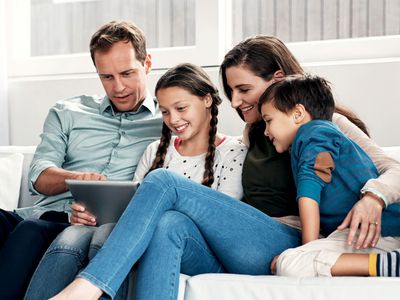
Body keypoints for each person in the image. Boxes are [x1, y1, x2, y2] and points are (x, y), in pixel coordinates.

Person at [50, 36, 400, 300]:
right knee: (170, 223)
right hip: (248, 241)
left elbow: (393, 170)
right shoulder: (253, 132)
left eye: (244, 89)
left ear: (278, 79)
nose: (235, 101)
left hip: (289, 241)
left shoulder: (324, 123)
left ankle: (89, 286)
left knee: (163, 182)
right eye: (230, 90)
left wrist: (373, 198)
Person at [24, 62, 247, 299]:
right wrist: (90, 214)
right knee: (74, 234)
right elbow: (132, 208)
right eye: (165, 111)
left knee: (125, 231)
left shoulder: (233, 151)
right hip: (139, 235)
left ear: (207, 100)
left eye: (181, 108)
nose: (173, 119)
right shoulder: (155, 150)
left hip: (196, 247)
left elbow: (221, 223)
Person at [0, 20, 162, 300]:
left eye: (127, 73)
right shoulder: (68, 112)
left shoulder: (169, 121)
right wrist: (78, 180)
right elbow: (38, 176)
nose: (119, 87)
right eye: (107, 77)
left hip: (78, 227)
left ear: (147, 63)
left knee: (31, 232)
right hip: (37, 215)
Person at [255, 74, 400, 277]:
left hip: (377, 231)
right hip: (367, 231)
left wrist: (306, 250)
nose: (266, 131)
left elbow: (309, 196)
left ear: (298, 114)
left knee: (291, 262)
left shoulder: (313, 134)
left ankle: (388, 264)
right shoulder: (322, 134)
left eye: (269, 121)